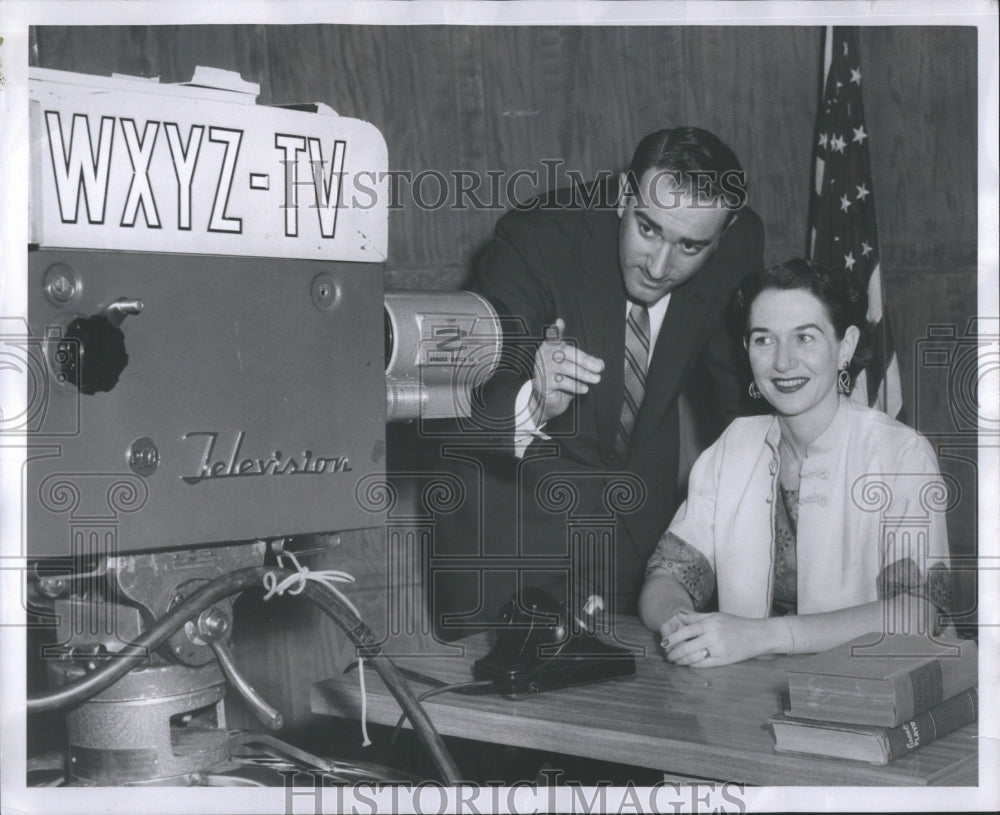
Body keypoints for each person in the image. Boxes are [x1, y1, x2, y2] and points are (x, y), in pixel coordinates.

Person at [429, 127, 765, 639]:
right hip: (510, 534)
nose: (658, 267)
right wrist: (534, 401)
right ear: (624, 197)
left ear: (723, 234)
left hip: (633, 538)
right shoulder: (538, 238)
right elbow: (461, 396)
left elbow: (743, 401)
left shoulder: (738, 246)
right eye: (648, 229)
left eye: (690, 246)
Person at [638, 259, 953, 666]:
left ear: (846, 346)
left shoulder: (901, 454)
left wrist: (761, 636)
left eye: (804, 337)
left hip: (878, 690)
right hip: (750, 693)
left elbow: (917, 613)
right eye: (763, 340)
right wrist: (681, 625)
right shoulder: (734, 446)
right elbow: (666, 576)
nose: (783, 362)